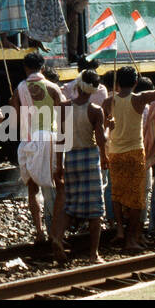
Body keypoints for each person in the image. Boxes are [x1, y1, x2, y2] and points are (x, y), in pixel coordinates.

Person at [105, 55, 155, 251]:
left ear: (117, 82)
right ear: (136, 82)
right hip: (135, 153)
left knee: (118, 195)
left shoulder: (109, 102)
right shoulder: (140, 99)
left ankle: (119, 230)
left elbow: (103, 128)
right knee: (136, 198)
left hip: (115, 154)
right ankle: (131, 238)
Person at [49, 69, 108, 263]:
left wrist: (59, 166)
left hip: (71, 157)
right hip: (90, 158)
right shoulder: (95, 110)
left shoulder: (64, 107)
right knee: (95, 209)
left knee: (70, 204)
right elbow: (100, 140)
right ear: (94, 89)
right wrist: (105, 154)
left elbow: (60, 140)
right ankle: (94, 254)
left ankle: (58, 237)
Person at [11, 51, 64, 244]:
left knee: (32, 189)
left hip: (27, 140)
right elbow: (63, 120)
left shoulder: (19, 89)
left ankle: (40, 231)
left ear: (26, 68)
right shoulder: (53, 88)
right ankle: (56, 233)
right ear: (43, 67)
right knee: (57, 185)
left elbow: (16, 120)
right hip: (49, 138)